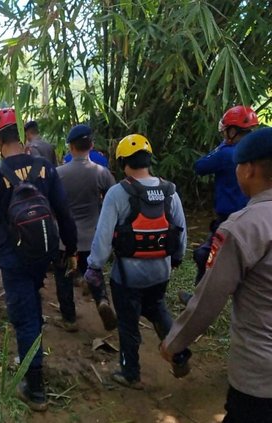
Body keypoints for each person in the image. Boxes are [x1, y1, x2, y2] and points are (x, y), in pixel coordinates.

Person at [0, 108, 77, 412]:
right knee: (32, 303)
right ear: (23, 136)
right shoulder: (44, 168)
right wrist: (72, 248)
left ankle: (35, 387)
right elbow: (63, 212)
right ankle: (33, 344)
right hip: (44, 252)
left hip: (13, 255)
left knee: (24, 315)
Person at [161, 127, 272, 423]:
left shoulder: (243, 227)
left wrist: (174, 342)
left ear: (248, 170)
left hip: (259, 379)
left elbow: (209, 298)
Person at [85, 134, 187, 389]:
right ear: (148, 159)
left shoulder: (118, 193)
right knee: (158, 309)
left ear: (122, 162)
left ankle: (131, 373)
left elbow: (104, 235)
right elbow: (181, 229)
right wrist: (177, 258)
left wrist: (95, 265)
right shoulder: (169, 191)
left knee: (129, 323)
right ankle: (180, 354)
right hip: (160, 272)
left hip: (127, 275)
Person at [179, 105, 259, 305]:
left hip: (230, 218)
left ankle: (199, 302)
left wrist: (221, 146)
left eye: (225, 131)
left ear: (233, 131)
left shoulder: (226, 153)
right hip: (255, 215)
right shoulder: (260, 152)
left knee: (204, 255)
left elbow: (200, 166)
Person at [54, 124, 116, 332]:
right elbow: (113, 200)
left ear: (71, 147)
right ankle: (102, 301)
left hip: (64, 239)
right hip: (92, 237)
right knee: (94, 272)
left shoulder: (59, 173)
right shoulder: (101, 173)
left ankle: (69, 319)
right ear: (91, 146)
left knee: (63, 280)